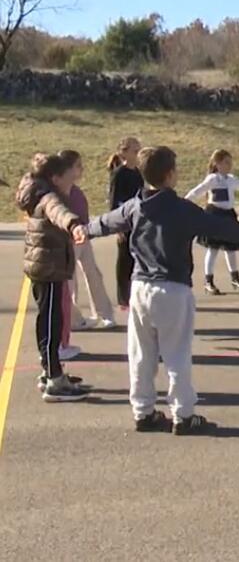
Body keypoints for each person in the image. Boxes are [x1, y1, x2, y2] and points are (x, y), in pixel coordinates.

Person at [83, 146, 239, 434]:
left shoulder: (135, 206)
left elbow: (106, 221)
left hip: (140, 289)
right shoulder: (182, 210)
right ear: (171, 175)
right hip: (172, 290)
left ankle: (143, 411)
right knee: (176, 355)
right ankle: (184, 415)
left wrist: (82, 229)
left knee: (141, 354)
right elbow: (224, 228)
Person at [15, 153, 89, 402]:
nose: (73, 177)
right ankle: (54, 380)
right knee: (51, 323)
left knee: (51, 320)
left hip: (46, 266)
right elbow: (59, 213)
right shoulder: (49, 197)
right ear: (56, 178)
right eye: (69, 173)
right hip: (48, 268)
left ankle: (51, 371)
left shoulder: (43, 191)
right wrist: (74, 225)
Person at [185, 149, 239, 295]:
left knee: (231, 249)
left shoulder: (230, 179)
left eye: (230, 162)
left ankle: (235, 279)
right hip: (214, 215)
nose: (229, 165)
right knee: (213, 249)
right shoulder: (212, 179)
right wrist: (183, 203)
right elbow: (197, 191)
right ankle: (208, 281)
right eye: (226, 162)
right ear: (217, 164)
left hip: (228, 215)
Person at [61, 150, 116, 334]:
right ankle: (74, 319)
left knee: (94, 275)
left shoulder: (75, 190)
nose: (82, 169)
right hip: (68, 242)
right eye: (78, 166)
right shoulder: (59, 191)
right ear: (67, 169)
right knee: (69, 283)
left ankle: (104, 314)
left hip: (84, 238)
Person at [107, 136, 143, 309]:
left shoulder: (138, 172)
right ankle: (123, 298)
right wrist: (118, 227)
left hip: (139, 222)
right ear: (124, 153)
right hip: (125, 222)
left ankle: (137, 294)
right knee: (124, 260)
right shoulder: (119, 174)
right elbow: (113, 201)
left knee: (139, 259)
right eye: (135, 151)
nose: (138, 154)